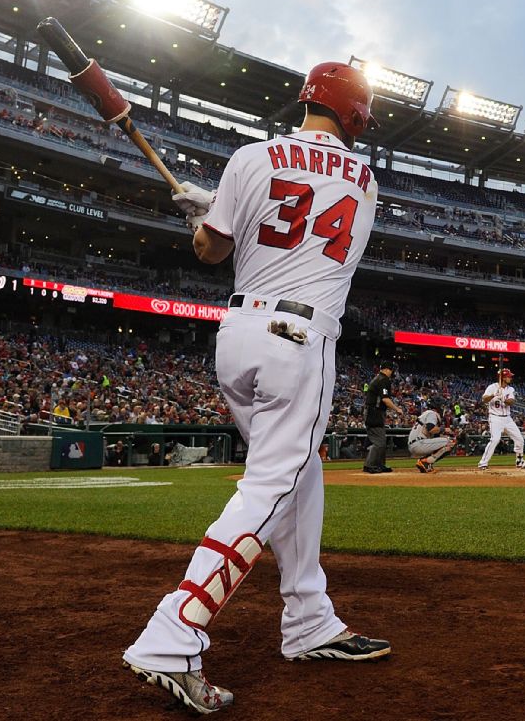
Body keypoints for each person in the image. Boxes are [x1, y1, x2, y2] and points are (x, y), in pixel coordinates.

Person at [123, 62, 389, 714]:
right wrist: (217, 209)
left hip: (238, 337)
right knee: (273, 481)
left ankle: (309, 619)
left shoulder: (249, 156)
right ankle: (172, 629)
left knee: (300, 473)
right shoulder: (365, 178)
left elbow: (211, 251)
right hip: (300, 340)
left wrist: (211, 210)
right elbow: (311, 240)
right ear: (354, 116)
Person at [477, 368, 525, 470]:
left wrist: (503, 398)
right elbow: (484, 399)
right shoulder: (492, 387)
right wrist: (494, 395)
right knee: (495, 439)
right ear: (503, 377)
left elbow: (511, 401)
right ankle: (483, 463)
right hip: (495, 418)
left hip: (507, 418)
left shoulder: (510, 389)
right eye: (508, 376)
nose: (510, 378)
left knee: (519, 439)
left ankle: (519, 461)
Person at [363, 362, 401, 474]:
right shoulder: (383, 380)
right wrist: (397, 409)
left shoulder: (378, 378)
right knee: (379, 442)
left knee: (382, 441)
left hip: (375, 412)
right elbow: (385, 399)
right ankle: (369, 465)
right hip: (374, 413)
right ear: (387, 369)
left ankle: (380, 464)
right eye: (391, 370)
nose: (392, 372)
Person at [408, 405, 456, 473]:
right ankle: (425, 462)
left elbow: (433, 433)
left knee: (447, 441)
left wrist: (445, 433)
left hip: (416, 444)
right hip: (419, 443)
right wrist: (445, 429)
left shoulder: (425, 415)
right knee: (451, 441)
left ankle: (425, 463)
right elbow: (431, 429)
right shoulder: (432, 413)